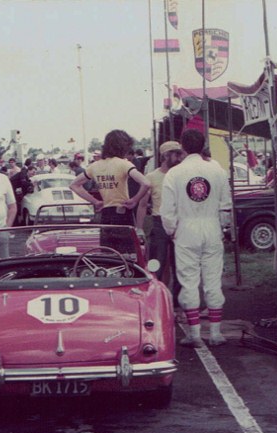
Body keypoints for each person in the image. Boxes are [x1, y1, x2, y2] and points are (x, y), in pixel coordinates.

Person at [161, 129, 232, 348]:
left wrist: (172, 231)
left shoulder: (174, 173)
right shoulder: (217, 170)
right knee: (212, 279)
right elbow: (226, 205)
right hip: (211, 227)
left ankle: (194, 334)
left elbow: (167, 211)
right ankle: (216, 333)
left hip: (186, 230)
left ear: (182, 146)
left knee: (188, 281)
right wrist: (222, 227)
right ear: (203, 145)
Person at [69, 129, 150, 227]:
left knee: (106, 242)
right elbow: (146, 183)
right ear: (123, 147)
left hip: (105, 213)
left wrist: (95, 201)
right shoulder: (124, 164)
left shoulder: (95, 166)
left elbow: (74, 185)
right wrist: (135, 200)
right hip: (123, 212)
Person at [140, 141, 185, 289]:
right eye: (176, 154)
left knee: (180, 265)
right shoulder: (151, 177)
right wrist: (138, 229)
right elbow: (142, 204)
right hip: (159, 222)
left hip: (180, 222)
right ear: (165, 155)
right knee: (156, 263)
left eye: (180, 153)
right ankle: (154, 297)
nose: (180, 157)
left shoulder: (183, 175)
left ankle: (179, 304)